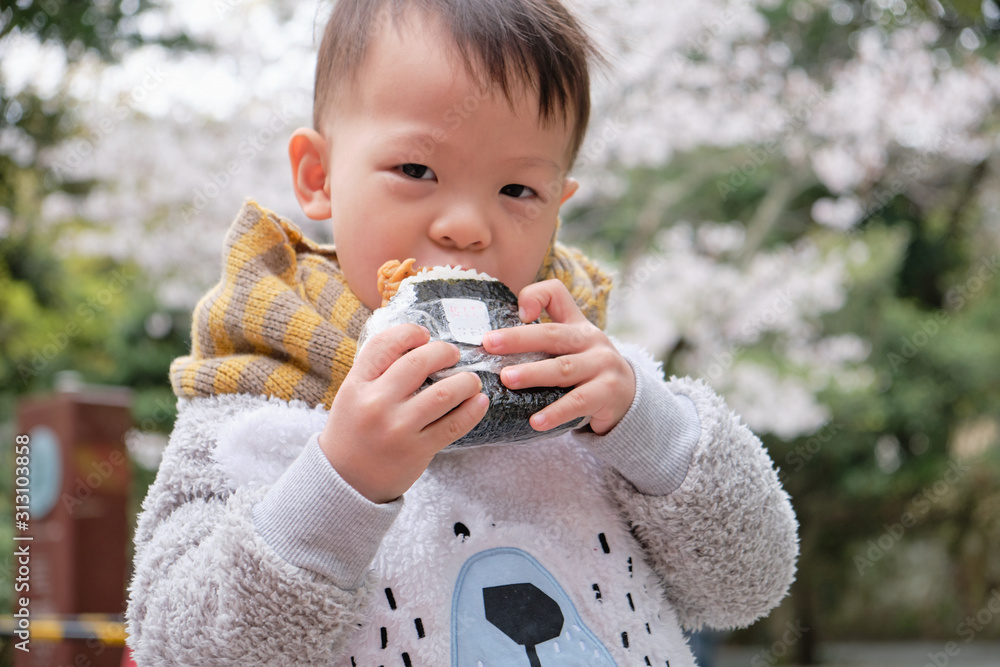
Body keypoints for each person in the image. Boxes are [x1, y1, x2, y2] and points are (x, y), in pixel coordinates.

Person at [125, 0, 798, 664]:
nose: (467, 225)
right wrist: (343, 480)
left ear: (558, 205)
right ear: (318, 176)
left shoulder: (598, 388)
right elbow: (179, 647)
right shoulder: (253, 398)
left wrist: (647, 426)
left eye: (517, 190)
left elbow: (751, 584)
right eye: (416, 171)